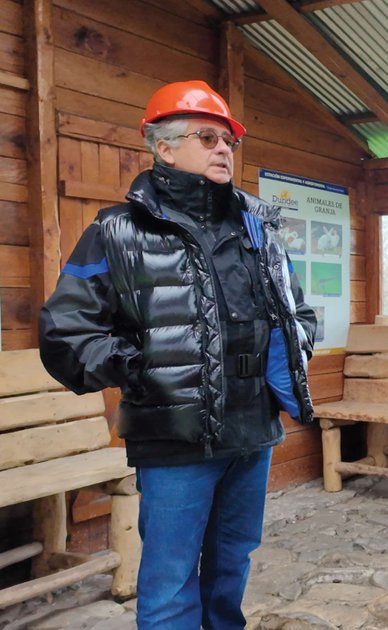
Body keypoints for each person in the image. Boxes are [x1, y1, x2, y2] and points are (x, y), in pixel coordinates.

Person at [38, 80, 316, 629]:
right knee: (168, 586)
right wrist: (138, 366)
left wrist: (296, 348)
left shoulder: (258, 231)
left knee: (231, 568)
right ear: (164, 147)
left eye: (229, 141)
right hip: (175, 440)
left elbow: (298, 313)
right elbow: (64, 333)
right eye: (207, 137)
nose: (223, 150)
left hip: (253, 433)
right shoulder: (116, 232)